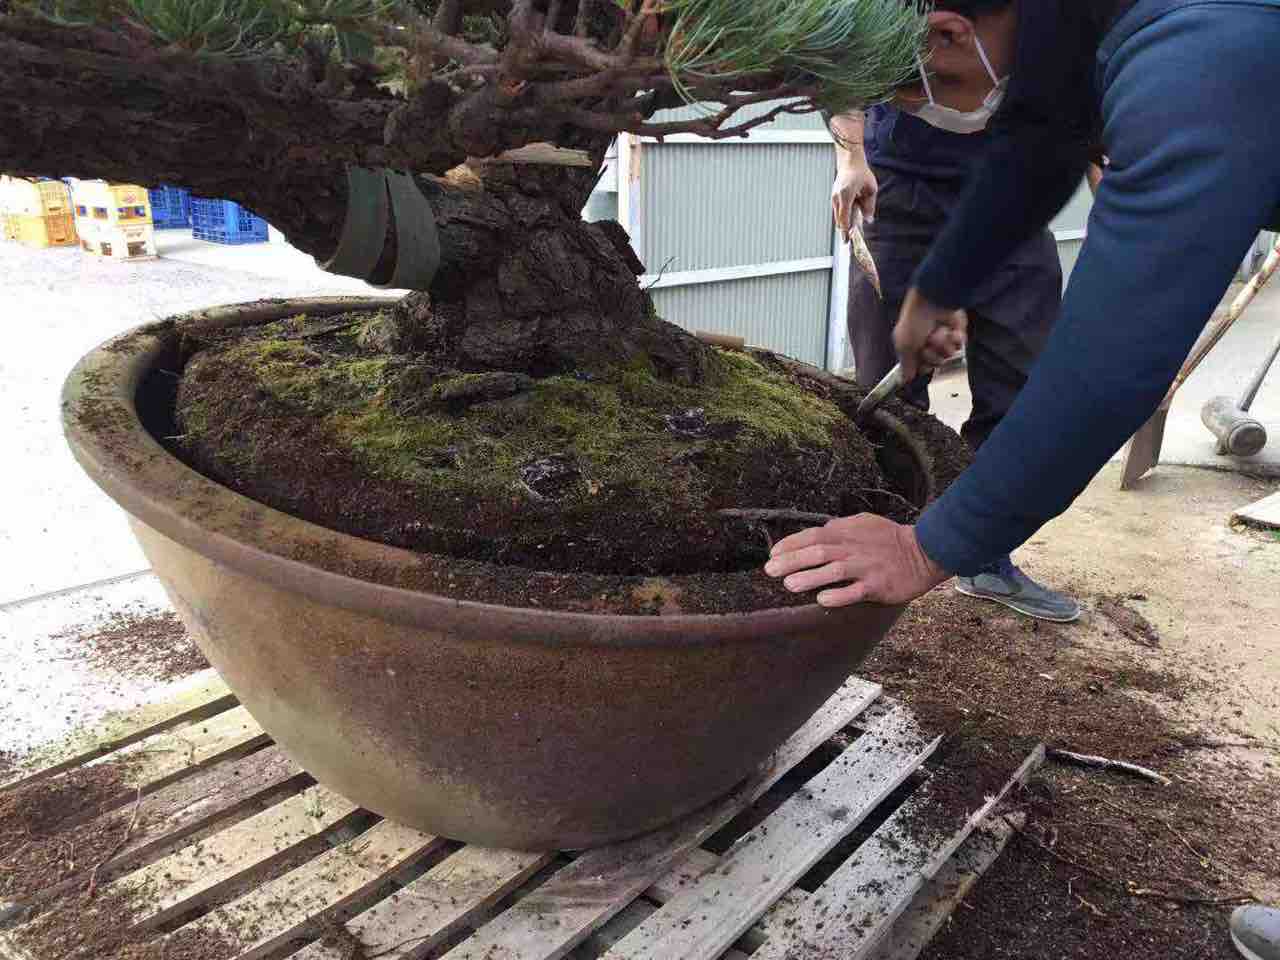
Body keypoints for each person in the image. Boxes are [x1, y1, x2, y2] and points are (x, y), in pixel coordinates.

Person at [770, 2, 1280, 953]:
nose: (945, 112)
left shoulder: (1202, 54)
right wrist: (937, 284)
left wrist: (933, 545)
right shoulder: (1096, 27)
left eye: (943, 87)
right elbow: (1043, 136)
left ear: (953, 30)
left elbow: (1114, 357)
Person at [830, 37, 1080, 622]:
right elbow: (842, 68)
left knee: (1020, 382)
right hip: (897, 190)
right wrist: (851, 159)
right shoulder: (904, 21)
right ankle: (884, 535)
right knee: (887, 384)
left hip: (1015, 193)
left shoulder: (1063, 25)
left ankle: (981, 552)